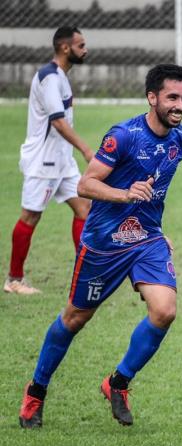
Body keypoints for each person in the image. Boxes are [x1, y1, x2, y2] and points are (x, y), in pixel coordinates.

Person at [18, 64, 182, 429]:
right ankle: (36, 391)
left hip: (146, 239)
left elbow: (155, 190)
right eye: (172, 97)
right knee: (75, 319)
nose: (180, 105)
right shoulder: (124, 136)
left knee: (165, 311)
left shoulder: (181, 140)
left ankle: (118, 383)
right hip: (104, 244)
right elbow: (85, 184)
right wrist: (125, 194)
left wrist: (157, 229)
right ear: (152, 98)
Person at [5, 26, 94, 295]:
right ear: (65, 48)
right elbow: (57, 121)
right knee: (30, 216)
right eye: (80, 45)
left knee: (84, 209)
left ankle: (85, 275)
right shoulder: (49, 78)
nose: (85, 49)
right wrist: (86, 149)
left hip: (62, 160)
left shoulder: (61, 77)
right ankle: (14, 280)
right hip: (43, 161)